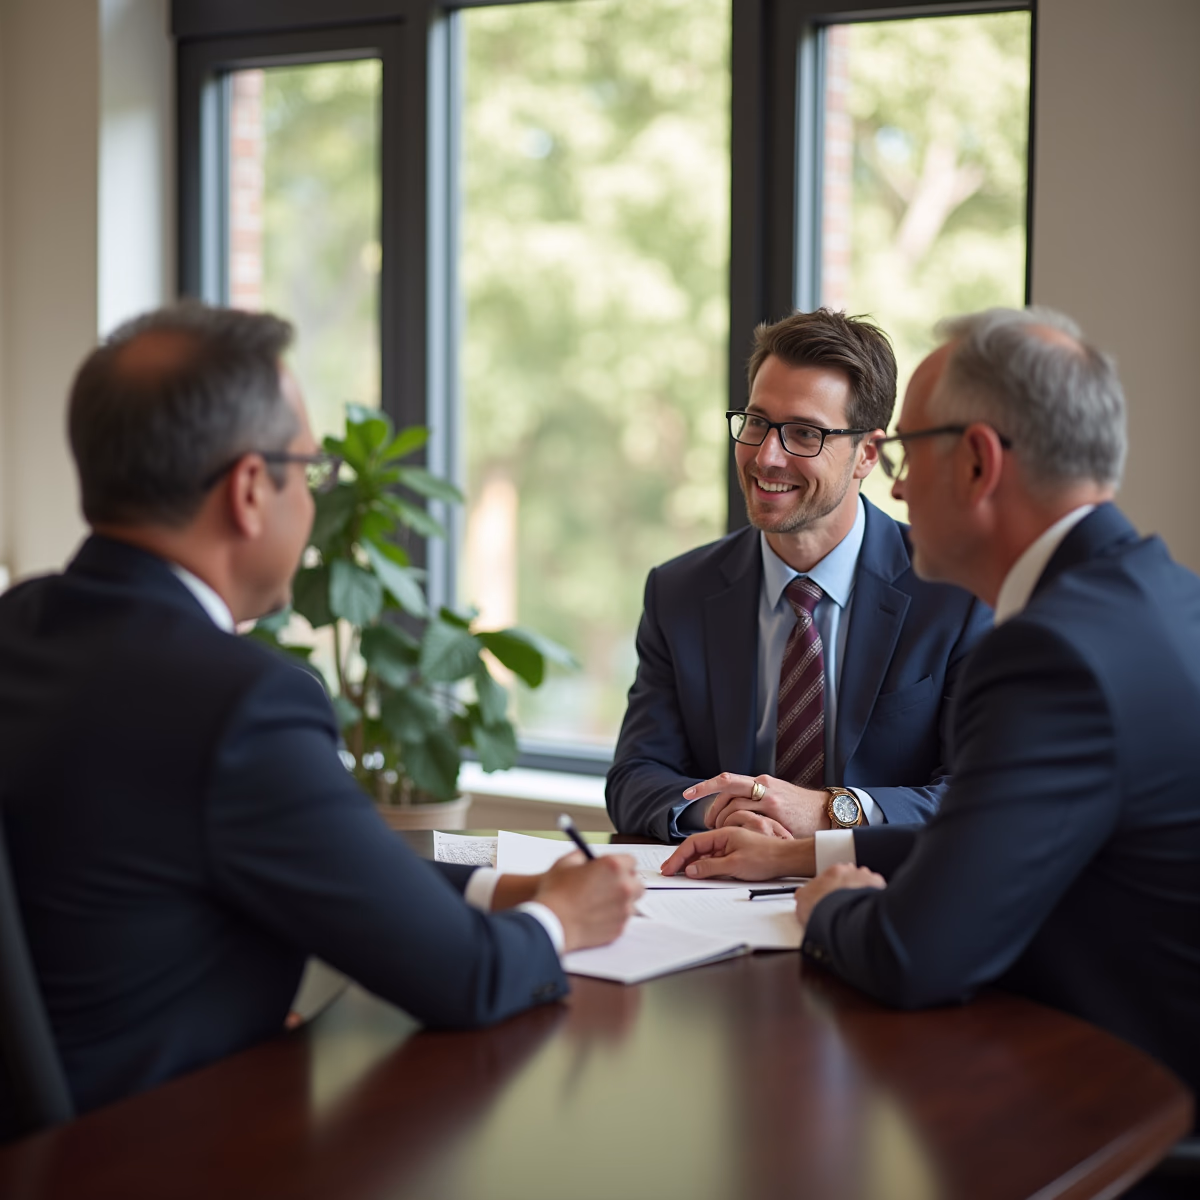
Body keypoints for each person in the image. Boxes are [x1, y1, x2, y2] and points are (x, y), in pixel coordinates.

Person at [0, 303, 641, 1128]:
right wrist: (563, 919)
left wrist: (504, 883)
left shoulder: (20, 625)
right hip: (154, 1146)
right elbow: (464, 980)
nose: (313, 500)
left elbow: (325, 857)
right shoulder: (238, 703)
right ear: (249, 491)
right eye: (307, 472)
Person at [662, 306, 1200, 1134]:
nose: (900, 487)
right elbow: (999, 837)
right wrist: (806, 853)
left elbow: (914, 957)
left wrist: (825, 903)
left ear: (979, 463)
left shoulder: (1050, 654)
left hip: (1120, 1121)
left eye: (908, 452)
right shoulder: (1165, 599)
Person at [606, 308, 991, 843]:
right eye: (758, 422)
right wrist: (718, 811)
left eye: (805, 433)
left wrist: (833, 813)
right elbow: (634, 777)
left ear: (867, 455)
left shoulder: (956, 594)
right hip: (713, 899)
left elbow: (975, 793)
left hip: (876, 897)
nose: (766, 456)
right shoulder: (679, 592)